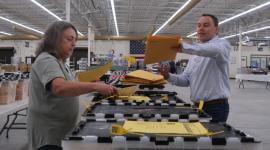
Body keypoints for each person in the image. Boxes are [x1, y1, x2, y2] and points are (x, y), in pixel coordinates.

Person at [27, 21, 118, 150]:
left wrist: (91, 84)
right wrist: (96, 87)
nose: (74, 44)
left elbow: (70, 85)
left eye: (75, 40)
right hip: (49, 136)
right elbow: (60, 87)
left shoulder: (61, 62)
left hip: (60, 132)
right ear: (54, 39)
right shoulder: (46, 60)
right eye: (69, 39)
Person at [159, 14, 231, 123]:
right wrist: (167, 75)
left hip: (215, 108)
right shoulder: (195, 53)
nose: (201, 28)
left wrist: (184, 47)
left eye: (206, 25)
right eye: (199, 25)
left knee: (211, 139)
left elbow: (213, 50)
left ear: (216, 29)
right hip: (197, 107)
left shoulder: (222, 45)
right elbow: (186, 80)